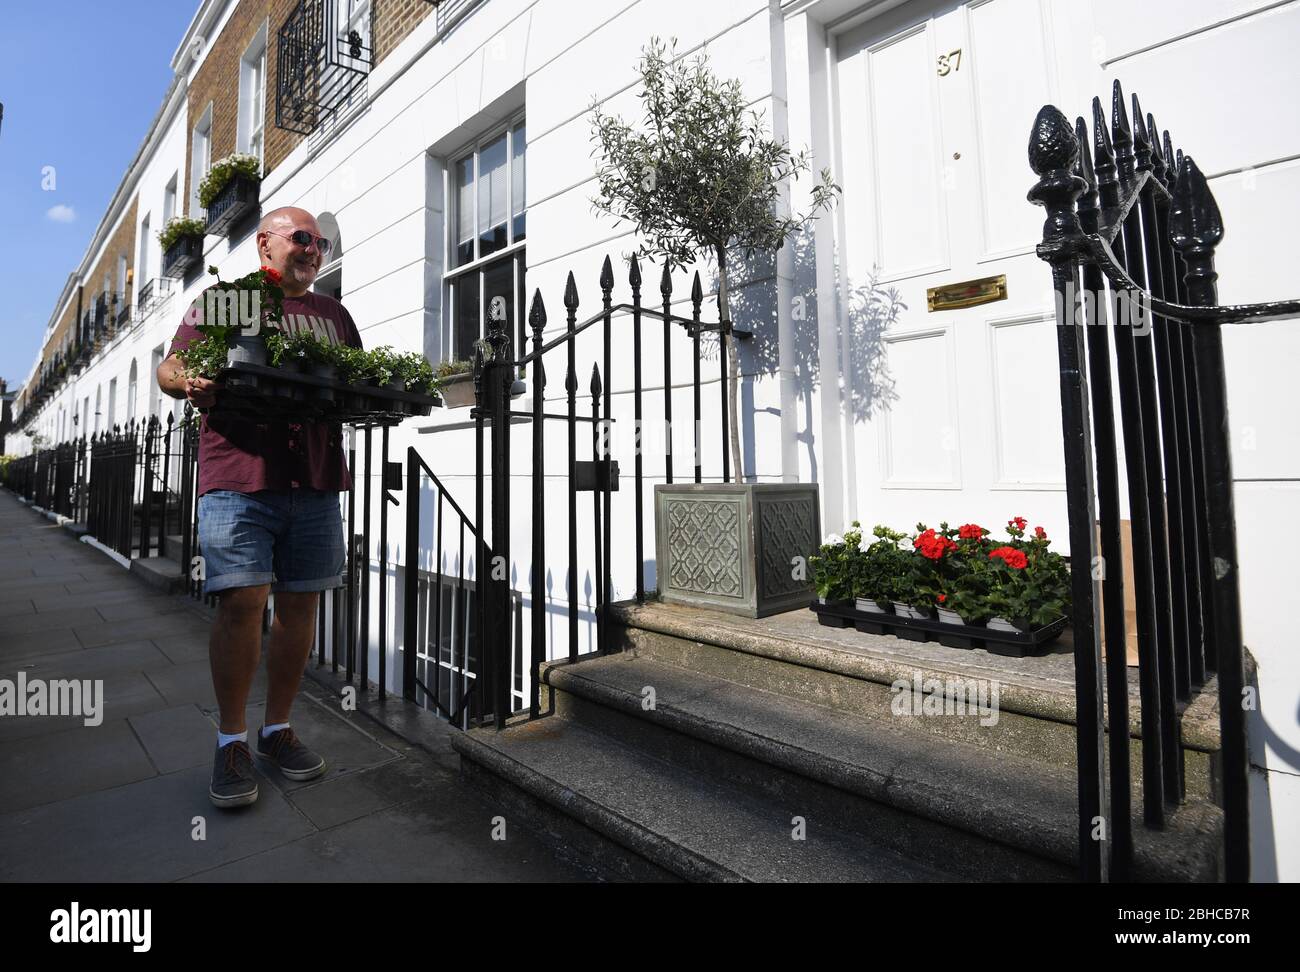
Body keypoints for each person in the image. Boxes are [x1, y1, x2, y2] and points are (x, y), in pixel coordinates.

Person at [156, 207, 362, 808]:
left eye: (319, 241)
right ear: (265, 245)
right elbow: (172, 364)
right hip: (240, 474)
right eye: (301, 238)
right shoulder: (230, 301)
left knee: (300, 606)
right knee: (243, 603)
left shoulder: (333, 315)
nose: (313, 249)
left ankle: (275, 730)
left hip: (315, 478)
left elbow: (350, 384)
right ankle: (231, 740)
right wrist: (184, 382)